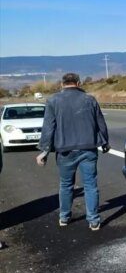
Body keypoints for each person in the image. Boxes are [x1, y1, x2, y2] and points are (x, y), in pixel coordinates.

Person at [37, 73, 110, 230]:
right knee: (90, 185)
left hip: (65, 151)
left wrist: (44, 151)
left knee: (66, 184)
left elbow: (48, 127)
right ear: (78, 83)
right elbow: (100, 123)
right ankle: (94, 220)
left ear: (62, 84)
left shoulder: (53, 101)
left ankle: (64, 217)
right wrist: (105, 143)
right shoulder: (89, 99)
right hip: (88, 149)